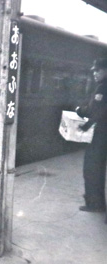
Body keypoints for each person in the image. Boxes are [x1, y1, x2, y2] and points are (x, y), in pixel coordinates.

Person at [76, 58, 107, 214]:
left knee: (91, 169)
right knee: (98, 169)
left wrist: (83, 118)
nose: (94, 73)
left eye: (98, 70)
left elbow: (97, 112)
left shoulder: (102, 88)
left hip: (100, 135)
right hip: (103, 136)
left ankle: (94, 204)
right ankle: (98, 202)